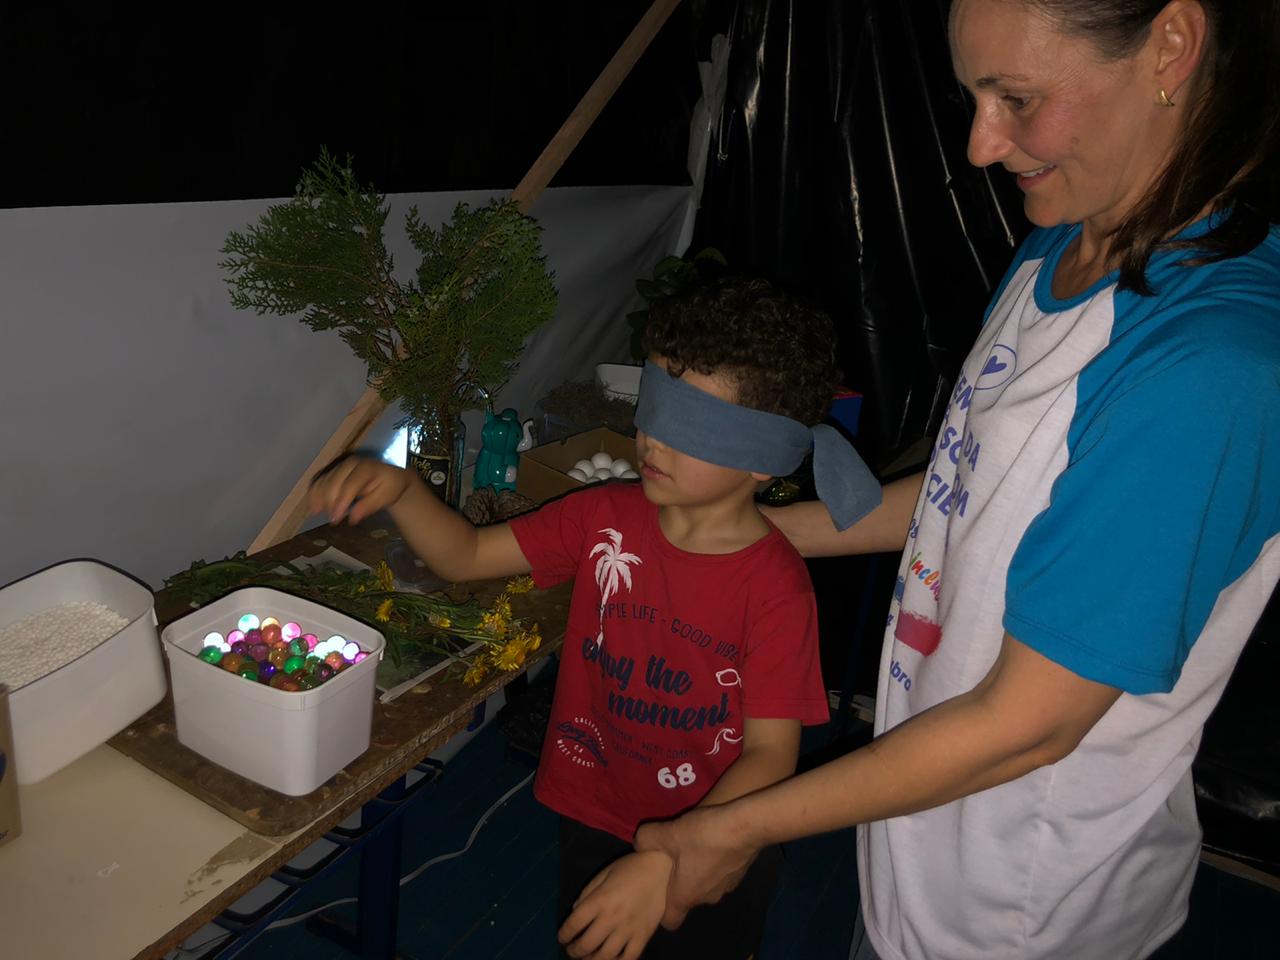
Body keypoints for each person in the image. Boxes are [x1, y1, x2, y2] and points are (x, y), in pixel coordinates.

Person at [629, 2, 1280, 959]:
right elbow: (967, 490)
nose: (980, 145)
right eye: (974, 97)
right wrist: (746, 532)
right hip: (924, 851)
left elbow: (1028, 726)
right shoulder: (1062, 244)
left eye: (1018, 98)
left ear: (1170, 48)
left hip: (1018, 914)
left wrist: (728, 827)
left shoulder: (1207, 367)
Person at [309, 277, 882, 960]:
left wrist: (673, 856)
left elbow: (770, 755)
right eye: (654, 407)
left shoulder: (776, 588)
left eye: (691, 426)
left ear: (765, 457)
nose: (651, 439)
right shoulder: (602, 515)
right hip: (595, 808)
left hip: (713, 843)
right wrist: (402, 489)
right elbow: (466, 556)